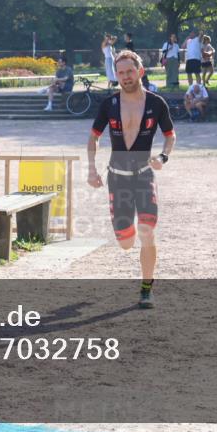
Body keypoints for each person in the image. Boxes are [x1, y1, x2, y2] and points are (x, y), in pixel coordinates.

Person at [87, 50, 176, 309]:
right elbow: (93, 137)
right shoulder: (109, 105)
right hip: (117, 179)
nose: (125, 76)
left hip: (144, 175)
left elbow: (170, 135)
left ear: (140, 71)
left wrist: (163, 156)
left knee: (147, 232)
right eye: (121, 73)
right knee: (126, 243)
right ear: (116, 76)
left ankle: (146, 289)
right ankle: (129, 227)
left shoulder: (157, 104)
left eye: (129, 71)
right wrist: (92, 169)